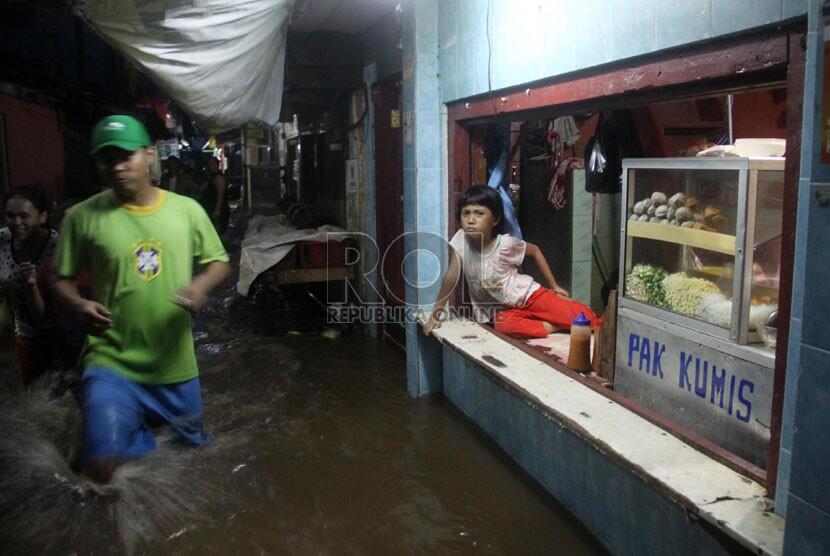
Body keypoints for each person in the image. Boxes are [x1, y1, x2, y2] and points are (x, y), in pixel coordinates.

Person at [52, 115, 231, 484]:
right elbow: (59, 277)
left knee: (193, 463)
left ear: (149, 155)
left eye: (127, 156)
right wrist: (77, 304)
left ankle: (142, 438)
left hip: (174, 366)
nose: (117, 167)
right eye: (107, 159)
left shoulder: (186, 211)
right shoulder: (81, 217)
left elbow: (219, 263)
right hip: (112, 361)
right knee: (101, 469)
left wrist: (199, 287)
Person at [423, 184, 598, 339]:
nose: (471, 220)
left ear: (495, 219)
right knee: (502, 326)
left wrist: (554, 286)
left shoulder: (505, 244)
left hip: (530, 296)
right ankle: (553, 326)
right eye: (466, 213)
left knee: (588, 321)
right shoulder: (461, 239)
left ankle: (555, 314)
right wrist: (435, 315)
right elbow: (451, 277)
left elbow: (535, 251)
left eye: (479, 213)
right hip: (507, 312)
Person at [0, 186, 63, 386]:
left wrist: (32, 286)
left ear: (42, 217)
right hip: (21, 334)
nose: (16, 222)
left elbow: (46, 314)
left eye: (24, 216)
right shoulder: (3, 238)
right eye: (10, 216)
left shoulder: (57, 247)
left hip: (59, 336)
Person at [199, 157, 229, 234]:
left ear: (217, 165)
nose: (210, 166)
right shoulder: (210, 177)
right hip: (212, 208)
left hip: (219, 210)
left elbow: (220, 194)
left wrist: (217, 209)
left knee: (218, 232)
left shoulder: (218, 177)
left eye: (212, 164)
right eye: (208, 164)